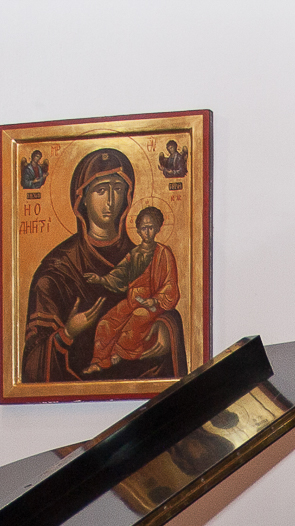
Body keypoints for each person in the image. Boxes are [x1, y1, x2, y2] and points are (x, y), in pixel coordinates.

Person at [20, 146, 186, 385]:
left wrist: (166, 327)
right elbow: (32, 363)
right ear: (83, 199)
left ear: (127, 196)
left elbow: (165, 296)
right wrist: (68, 333)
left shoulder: (146, 255)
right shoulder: (57, 270)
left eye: (117, 189)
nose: (110, 200)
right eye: (100, 190)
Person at [84, 207, 180, 373]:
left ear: (158, 228)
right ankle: (99, 361)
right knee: (106, 322)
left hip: (153, 304)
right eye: (143, 228)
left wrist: (154, 300)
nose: (147, 232)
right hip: (132, 301)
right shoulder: (134, 254)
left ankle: (118, 353)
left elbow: (170, 284)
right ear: (138, 230)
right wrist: (100, 279)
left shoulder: (164, 254)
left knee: (137, 317)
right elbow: (120, 274)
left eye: (151, 227)